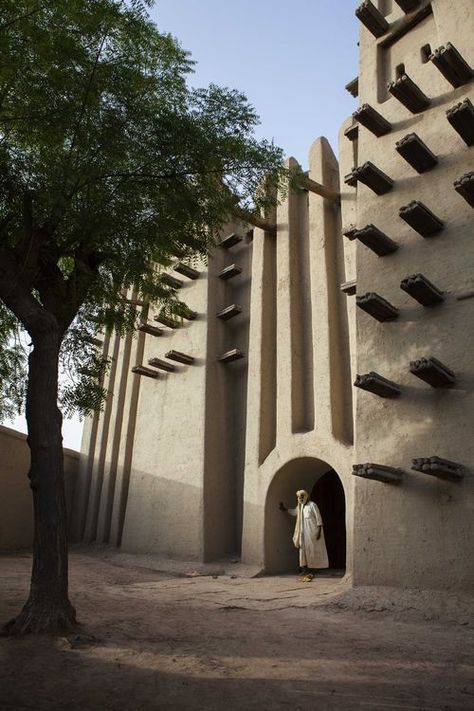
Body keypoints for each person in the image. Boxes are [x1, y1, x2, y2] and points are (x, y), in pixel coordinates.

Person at [279, 489, 328, 581]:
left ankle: (314, 569)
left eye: (302, 496)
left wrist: (319, 531)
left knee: (313, 549)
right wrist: (284, 509)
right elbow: (294, 512)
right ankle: (305, 568)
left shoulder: (312, 505)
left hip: (312, 531)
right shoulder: (300, 507)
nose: (300, 498)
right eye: (299, 497)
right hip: (303, 532)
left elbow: (318, 517)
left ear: (306, 496)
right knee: (304, 550)